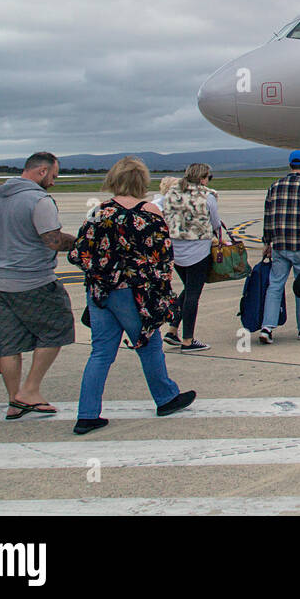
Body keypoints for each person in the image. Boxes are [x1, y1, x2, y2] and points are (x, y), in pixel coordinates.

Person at [68, 157, 195, 435]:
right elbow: (163, 256)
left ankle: (87, 414)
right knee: (148, 344)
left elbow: (78, 253)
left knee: (100, 352)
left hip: (101, 291)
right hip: (135, 292)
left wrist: (102, 271)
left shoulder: (99, 212)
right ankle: (166, 397)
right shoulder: (149, 212)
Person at [0, 152, 77, 420]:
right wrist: (80, 241)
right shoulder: (38, 200)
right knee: (58, 328)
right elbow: (53, 240)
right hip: (33, 281)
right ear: (42, 171)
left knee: (10, 343)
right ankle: (30, 391)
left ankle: (14, 402)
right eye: (54, 176)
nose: (54, 183)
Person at [259, 150, 300, 344]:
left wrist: (267, 242)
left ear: (290, 165)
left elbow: (268, 215)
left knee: (275, 285)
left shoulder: (275, 186)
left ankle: (267, 327)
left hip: (280, 243)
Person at [160, 163, 225, 352]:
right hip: (198, 250)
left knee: (188, 289)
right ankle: (188, 340)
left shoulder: (172, 194)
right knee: (193, 295)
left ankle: (172, 330)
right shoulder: (207, 196)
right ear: (203, 178)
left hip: (175, 249)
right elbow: (215, 222)